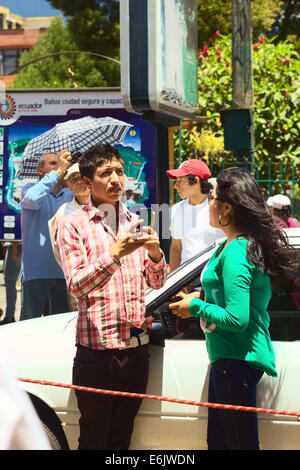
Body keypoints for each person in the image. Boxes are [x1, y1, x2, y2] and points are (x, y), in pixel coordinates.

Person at [169, 167, 296, 450]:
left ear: (227, 206)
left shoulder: (238, 250)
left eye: (212, 197)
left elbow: (237, 318)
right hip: (227, 359)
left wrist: (196, 306)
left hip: (235, 361)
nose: (208, 204)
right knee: (220, 442)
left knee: (236, 444)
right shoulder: (228, 246)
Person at [56, 143, 167, 450]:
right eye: (107, 173)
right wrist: (116, 253)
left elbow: (155, 282)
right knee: (94, 439)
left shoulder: (134, 220)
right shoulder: (73, 225)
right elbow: (77, 285)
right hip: (98, 353)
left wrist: (157, 254)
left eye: (120, 171)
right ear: (88, 183)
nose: (117, 179)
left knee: (122, 439)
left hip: (136, 350)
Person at [20, 149, 73, 321]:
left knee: (60, 329)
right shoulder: (29, 189)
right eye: (53, 163)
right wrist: (58, 172)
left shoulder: (71, 194)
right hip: (35, 274)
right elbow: (32, 200)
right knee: (28, 328)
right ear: (40, 171)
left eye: (60, 163)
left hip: (64, 274)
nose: (59, 166)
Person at [166, 159, 223, 272]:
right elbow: (176, 248)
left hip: (215, 278)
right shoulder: (176, 209)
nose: (175, 186)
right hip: (186, 280)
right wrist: (173, 283)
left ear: (196, 180)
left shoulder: (218, 207)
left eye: (181, 181)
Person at [48, 162, 90, 310]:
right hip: (77, 281)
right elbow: (58, 251)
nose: (79, 182)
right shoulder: (63, 213)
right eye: (74, 179)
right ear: (69, 185)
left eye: (82, 178)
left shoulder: (107, 207)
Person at [0, 242, 21, 325]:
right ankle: (10, 316)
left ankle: (10, 316)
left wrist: (14, 248)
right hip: (20, 246)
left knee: (10, 282)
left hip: (15, 246)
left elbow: (16, 230)